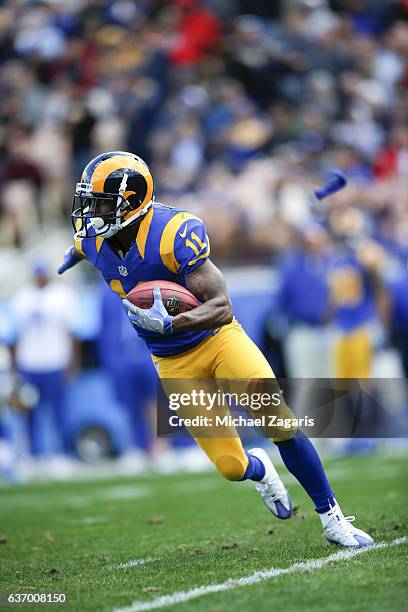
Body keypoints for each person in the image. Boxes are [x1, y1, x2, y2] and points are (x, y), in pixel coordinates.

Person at [58, 151, 373, 547]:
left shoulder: (173, 231)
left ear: (132, 201)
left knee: (279, 421)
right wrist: (70, 255)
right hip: (172, 361)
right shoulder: (92, 239)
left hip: (218, 339)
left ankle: (333, 519)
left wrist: (175, 322)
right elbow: (83, 246)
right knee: (230, 466)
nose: (90, 213)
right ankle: (262, 473)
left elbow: (222, 306)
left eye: (101, 203)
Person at [11, 262, 80, 457]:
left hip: (55, 361)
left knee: (60, 412)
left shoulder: (62, 295)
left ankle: (63, 453)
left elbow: (73, 333)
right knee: (27, 411)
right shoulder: (22, 296)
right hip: (29, 363)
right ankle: (32, 455)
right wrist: (16, 367)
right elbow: (15, 335)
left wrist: (73, 363)